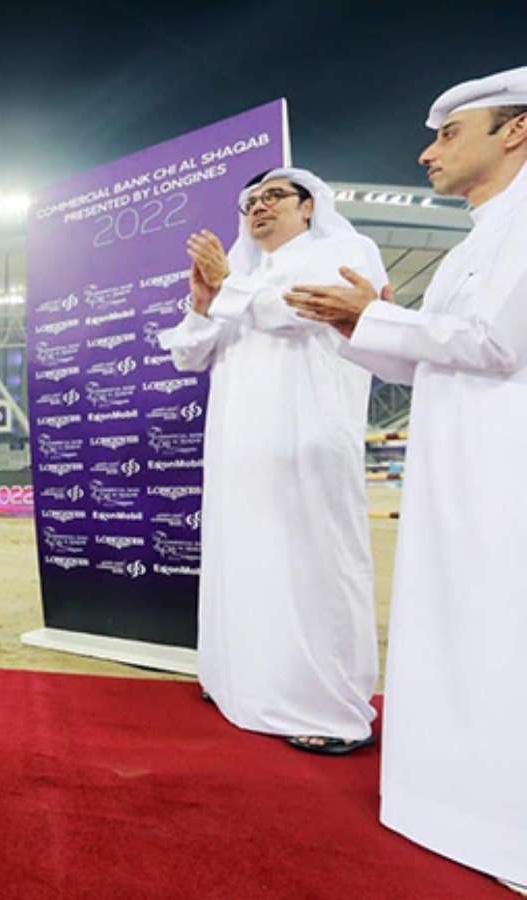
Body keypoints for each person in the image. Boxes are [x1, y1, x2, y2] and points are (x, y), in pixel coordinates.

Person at [283, 68, 527, 892]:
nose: (428, 153)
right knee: (458, 625)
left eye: (449, 134)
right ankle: (459, 806)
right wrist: (358, 323)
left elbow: (496, 343)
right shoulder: (469, 244)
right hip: (458, 463)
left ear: (516, 131)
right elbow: (429, 358)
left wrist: (381, 317)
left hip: (507, 467)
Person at [158, 167, 388, 754]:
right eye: (251, 201)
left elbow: (297, 311)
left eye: (274, 196)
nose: (259, 207)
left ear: (309, 206)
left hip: (304, 441)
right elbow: (189, 356)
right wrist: (202, 304)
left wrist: (228, 285)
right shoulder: (244, 275)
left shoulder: (344, 251)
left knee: (313, 566)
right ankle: (239, 681)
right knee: (243, 563)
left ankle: (326, 708)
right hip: (237, 450)